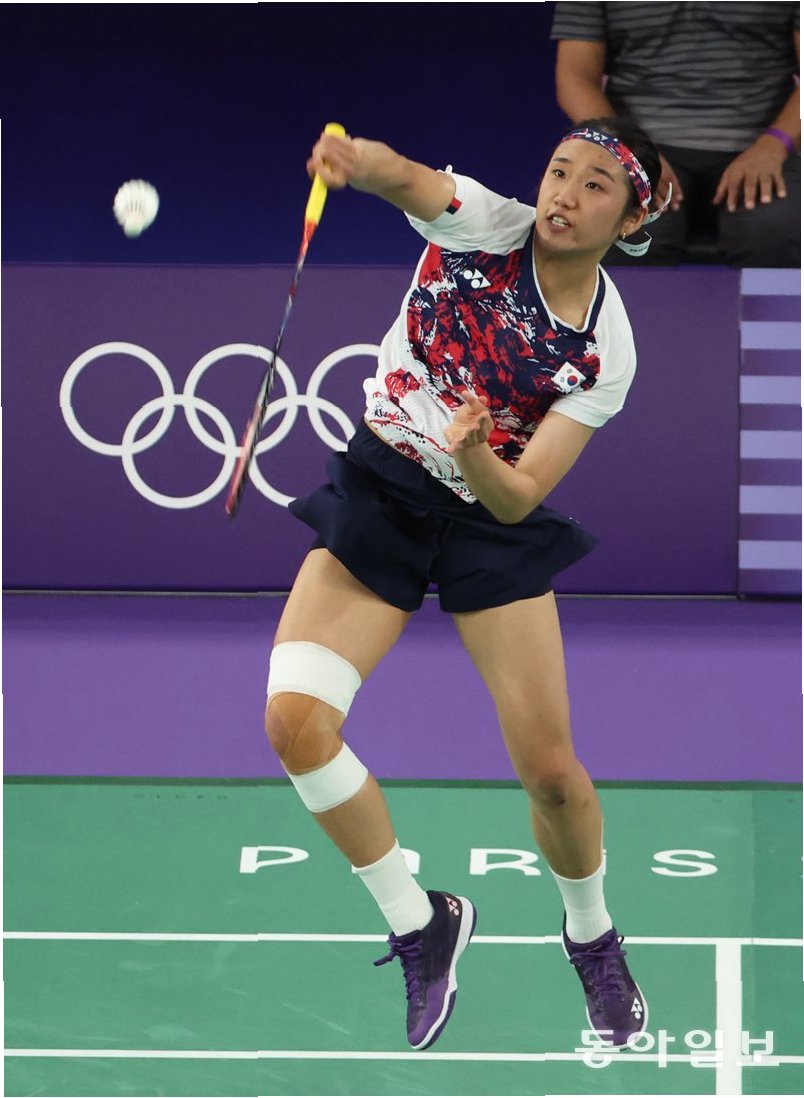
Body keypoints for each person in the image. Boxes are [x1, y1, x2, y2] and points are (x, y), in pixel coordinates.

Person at [264, 117, 663, 1052]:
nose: (565, 194)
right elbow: (409, 179)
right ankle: (420, 922)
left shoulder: (604, 351)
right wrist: (355, 162)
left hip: (489, 517)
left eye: (595, 186)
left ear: (629, 220)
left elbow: (520, 497)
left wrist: (478, 450)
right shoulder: (483, 224)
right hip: (386, 488)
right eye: (559, 170)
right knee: (295, 723)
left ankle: (592, 937)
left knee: (552, 776)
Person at [551, 1, 800, 267]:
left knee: (774, 233)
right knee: (626, 235)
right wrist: (629, 151)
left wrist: (775, 145)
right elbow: (575, 77)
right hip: (637, 145)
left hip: (764, 145)